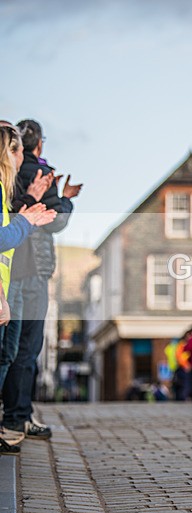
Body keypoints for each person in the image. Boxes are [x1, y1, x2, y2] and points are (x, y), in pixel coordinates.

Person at [2, 119, 81, 446]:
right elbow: (54, 222)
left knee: (13, 349)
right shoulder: (37, 173)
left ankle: (17, 415)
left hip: (13, 270)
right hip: (28, 270)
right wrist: (64, 199)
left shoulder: (12, 176)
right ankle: (16, 417)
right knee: (23, 349)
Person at [0, 123, 56, 453]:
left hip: (12, 281)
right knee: (15, 352)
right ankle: (14, 420)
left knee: (11, 352)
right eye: (16, 149)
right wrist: (29, 218)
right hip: (21, 277)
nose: (25, 156)